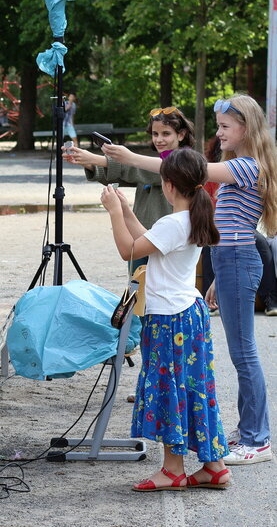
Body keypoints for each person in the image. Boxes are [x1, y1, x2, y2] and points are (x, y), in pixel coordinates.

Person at [102, 94, 276, 465]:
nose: (219, 133)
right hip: (230, 262)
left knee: (244, 355)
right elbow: (230, 228)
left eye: (225, 127)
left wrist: (129, 158)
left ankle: (258, 440)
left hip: (237, 260)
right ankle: (249, 430)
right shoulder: (238, 164)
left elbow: (186, 170)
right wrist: (217, 278)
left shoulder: (248, 165)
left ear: (246, 128)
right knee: (240, 353)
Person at [101, 149, 229, 491]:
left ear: (168, 184)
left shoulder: (174, 222)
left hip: (169, 320)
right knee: (194, 387)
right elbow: (151, 241)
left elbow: (129, 250)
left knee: (169, 388)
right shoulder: (192, 216)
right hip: (189, 313)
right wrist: (128, 211)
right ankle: (213, 466)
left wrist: (113, 212)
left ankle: (173, 469)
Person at [65, 106, 195, 271]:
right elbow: (129, 174)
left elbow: (143, 170)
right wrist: (87, 162)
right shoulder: (152, 162)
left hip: (164, 241)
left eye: (166, 133)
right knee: (137, 288)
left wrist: (98, 159)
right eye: (155, 134)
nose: (159, 139)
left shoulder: (186, 163)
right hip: (140, 235)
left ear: (181, 134)